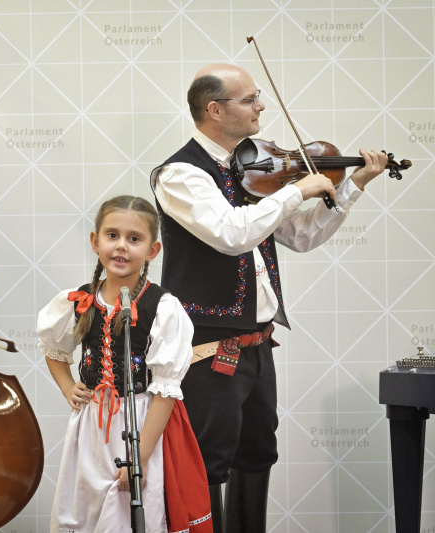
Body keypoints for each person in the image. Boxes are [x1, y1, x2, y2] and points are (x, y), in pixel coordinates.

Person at [150, 63, 389, 533]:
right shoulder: (179, 174)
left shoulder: (253, 171)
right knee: (209, 461)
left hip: (258, 343)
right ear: (215, 110)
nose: (262, 106)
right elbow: (231, 233)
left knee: (258, 453)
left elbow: (300, 237)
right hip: (207, 348)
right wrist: (296, 189)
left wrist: (352, 185)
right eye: (251, 98)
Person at [37, 195, 212, 533]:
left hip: (140, 423)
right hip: (91, 427)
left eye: (134, 239)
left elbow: (165, 390)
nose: (121, 247)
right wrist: (66, 386)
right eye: (112, 235)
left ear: (152, 250)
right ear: (95, 241)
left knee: (131, 511)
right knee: (85, 508)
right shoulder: (79, 301)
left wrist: (141, 456)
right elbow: (54, 348)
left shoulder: (162, 307)